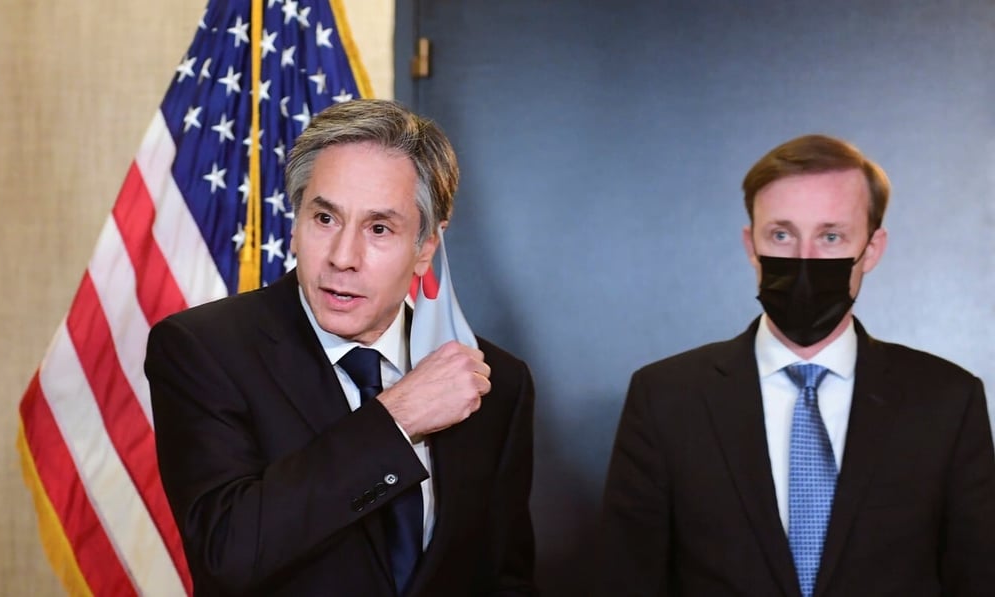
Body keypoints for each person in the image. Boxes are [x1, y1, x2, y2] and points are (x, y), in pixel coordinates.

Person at [145, 99, 536, 596]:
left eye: (378, 229)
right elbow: (228, 551)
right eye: (325, 218)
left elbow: (506, 579)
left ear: (425, 249)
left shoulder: (493, 381)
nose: (342, 257)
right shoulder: (203, 350)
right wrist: (395, 419)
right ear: (295, 223)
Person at [597, 134, 995, 596]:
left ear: (872, 248)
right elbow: (625, 581)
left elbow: (979, 580)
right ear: (751, 245)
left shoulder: (947, 399)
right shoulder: (665, 397)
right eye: (781, 235)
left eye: (831, 237)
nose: (805, 259)